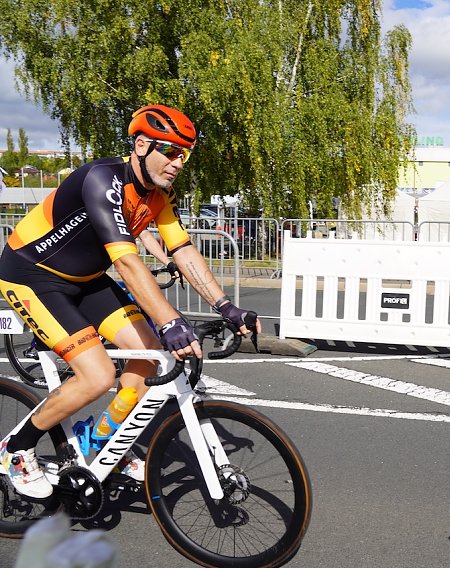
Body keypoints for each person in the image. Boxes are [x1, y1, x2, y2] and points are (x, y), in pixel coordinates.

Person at [0, 104, 261, 498]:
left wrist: (227, 306)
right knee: (98, 375)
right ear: (141, 145)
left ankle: (102, 440)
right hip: (31, 276)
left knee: (151, 355)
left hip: (87, 280)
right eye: (170, 152)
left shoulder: (161, 194)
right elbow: (125, 261)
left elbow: (183, 251)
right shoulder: (102, 180)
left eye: (184, 155)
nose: (177, 163)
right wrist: (171, 321)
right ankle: (15, 451)